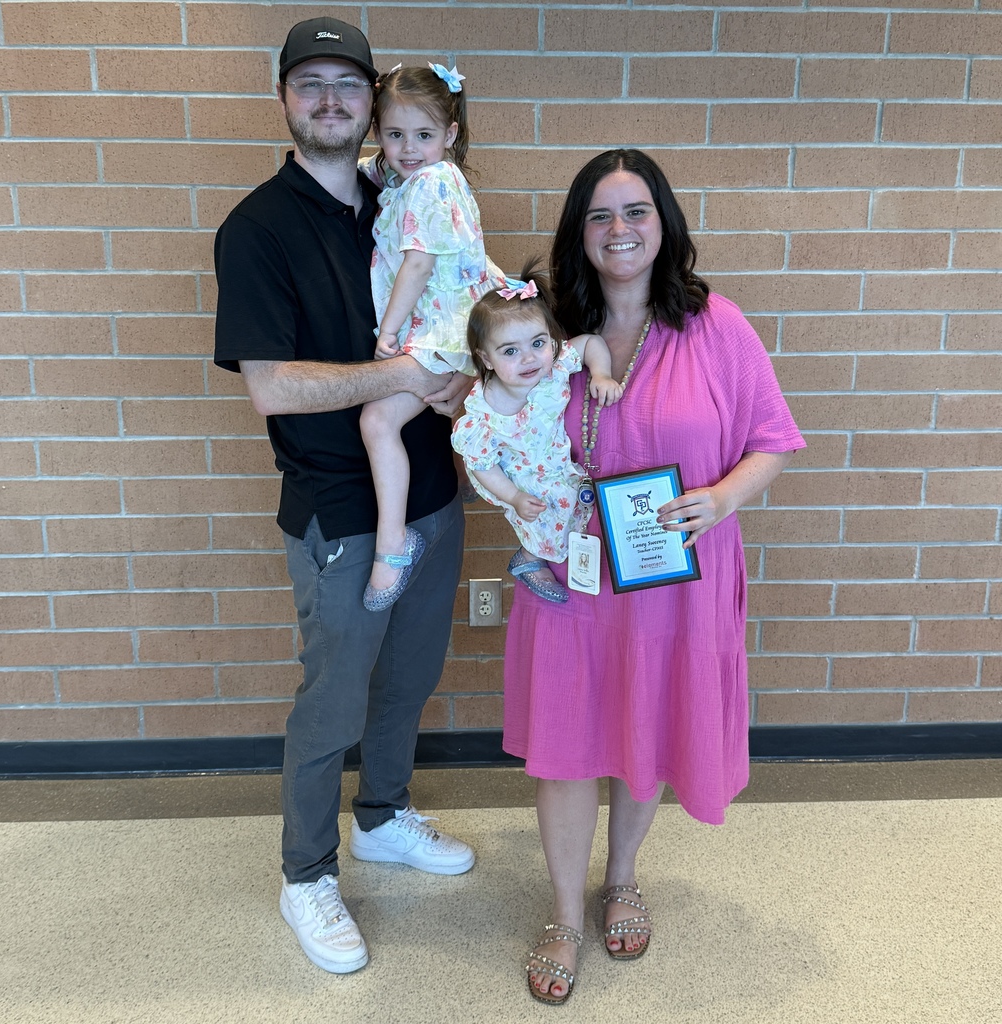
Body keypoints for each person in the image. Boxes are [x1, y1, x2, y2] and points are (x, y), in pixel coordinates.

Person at [504, 149, 805, 1004]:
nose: (619, 230)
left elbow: (773, 442)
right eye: (600, 216)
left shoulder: (717, 326)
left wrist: (718, 500)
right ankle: (564, 911)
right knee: (566, 743)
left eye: (635, 211)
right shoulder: (546, 327)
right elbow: (489, 415)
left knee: (649, 722)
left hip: (676, 575)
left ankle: (622, 878)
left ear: (663, 222)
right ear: (579, 233)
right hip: (569, 572)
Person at [212, 18, 475, 977]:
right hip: (340, 509)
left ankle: (383, 816)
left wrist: (461, 375)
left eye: (346, 83)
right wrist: (404, 372)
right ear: (285, 97)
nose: (330, 98)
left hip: (432, 488)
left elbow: (457, 312)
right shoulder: (257, 228)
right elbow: (272, 387)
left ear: (375, 100)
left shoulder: (405, 192)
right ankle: (306, 871)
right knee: (335, 699)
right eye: (309, 81)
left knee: (409, 677)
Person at [358, 64, 505, 611]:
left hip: (438, 329)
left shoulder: (432, 182)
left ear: (451, 134)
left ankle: (393, 545)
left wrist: (389, 332)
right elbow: (376, 170)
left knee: (376, 420)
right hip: (452, 324)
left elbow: (417, 266)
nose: (408, 148)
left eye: (424, 136)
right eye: (394, 135)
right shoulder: (418, 177)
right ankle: (471, 471)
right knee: (459, 417)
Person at [451, 261, 623, 603]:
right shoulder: (482, 416)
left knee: (573, 500)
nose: (529, 359)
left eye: (538, 343)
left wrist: (602, 374)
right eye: (510, 351)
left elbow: (590, 343)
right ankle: (529, 558)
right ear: (486, 359)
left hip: (551, 460)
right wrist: (513, 496)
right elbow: (483, 465)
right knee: (542, 509)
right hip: (512, 473)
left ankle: (552, 553)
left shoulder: (553, 367)